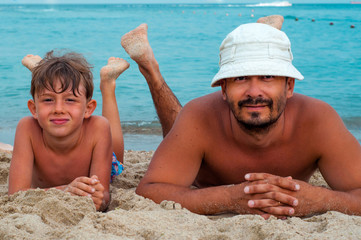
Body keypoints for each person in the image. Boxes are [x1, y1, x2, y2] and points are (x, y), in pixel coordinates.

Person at [120, 16, 361, 219]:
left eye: (267, 76)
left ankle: (261, 38)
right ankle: (151, 70)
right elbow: (150, 191)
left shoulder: (317, 120)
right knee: (177, 125)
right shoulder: (200, 116)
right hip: (203, 140)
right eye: (240, 78)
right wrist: (230, 198)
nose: (254, 92)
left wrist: (320, 199)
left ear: (289, 86)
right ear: (223, 89)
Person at [8, 51, 130, 211]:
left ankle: (107, 84)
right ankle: (42, 72)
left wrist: (99, 198)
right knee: (55, 86)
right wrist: (65, 190)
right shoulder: (27, 128)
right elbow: (15, 195)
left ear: (88, 108)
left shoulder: (97, 128)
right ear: (34, 109)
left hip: (104, 151)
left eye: (70, 100)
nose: (59, 109)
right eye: (48, 100)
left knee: (117, 162)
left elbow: (104, 194)